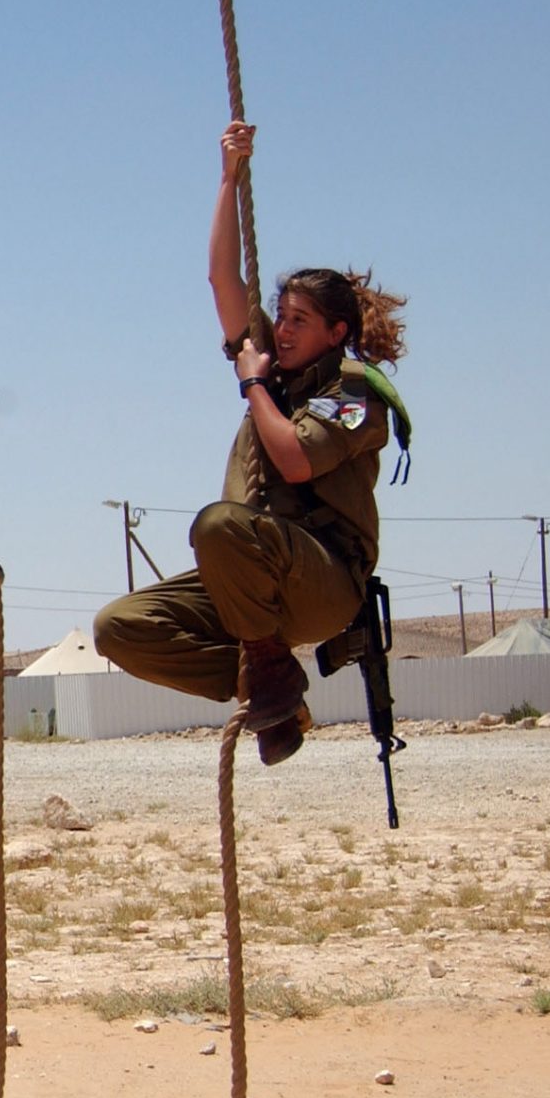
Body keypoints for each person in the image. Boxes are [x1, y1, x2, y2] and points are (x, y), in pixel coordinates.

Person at [93, 121, 407, 765]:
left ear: (336, 331)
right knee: (120, 629)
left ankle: (267, 662)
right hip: (251, 576)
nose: (284, 331)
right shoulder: (272, 365)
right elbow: (220, 279)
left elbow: (294, 455)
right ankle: (270, 686)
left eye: (300, 322)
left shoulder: (356, 395)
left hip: (319, 581)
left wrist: (253, 385)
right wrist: (228, 179)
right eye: (282, 318)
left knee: (217, 527)